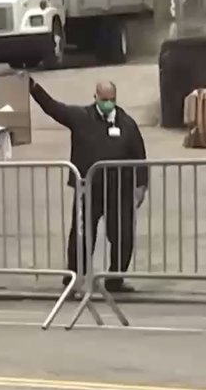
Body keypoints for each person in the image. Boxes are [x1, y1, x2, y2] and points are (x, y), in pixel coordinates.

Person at [28, 77, 148, 292]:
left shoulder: (127, 123)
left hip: (118, 189)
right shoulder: (81, 117)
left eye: (111, 99)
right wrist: (33, 88)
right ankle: (74, 276)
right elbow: (53, 108)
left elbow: (139, 155)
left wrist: (140, 186)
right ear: (95, 97)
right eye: (104, 99)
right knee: (82, 234)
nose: (107, 103)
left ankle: (115, 278)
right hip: (89, 188)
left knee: (122, 234)